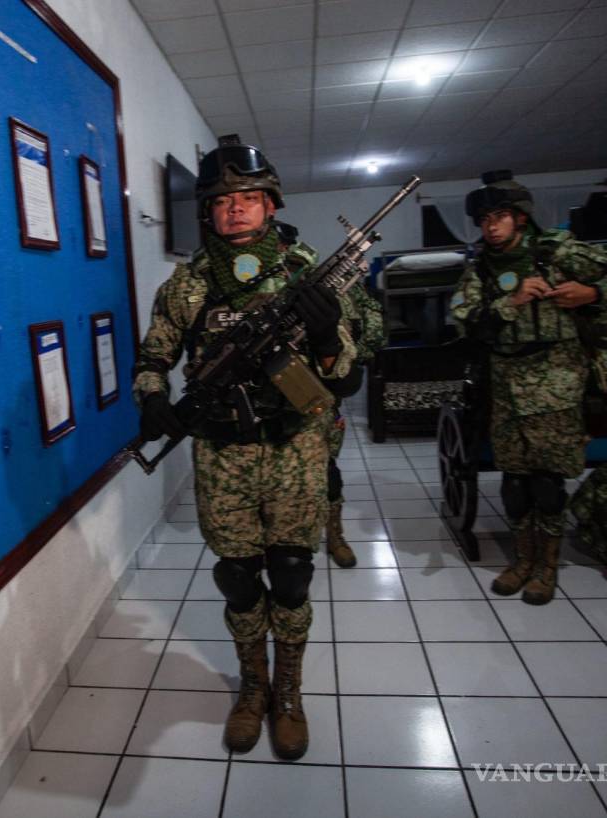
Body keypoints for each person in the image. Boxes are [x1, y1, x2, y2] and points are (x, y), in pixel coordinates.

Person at [133, 135, 361, 759]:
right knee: (236, 576)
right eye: (223, 199)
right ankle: (251, 689)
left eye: (248, 197)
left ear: (270, 204)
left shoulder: (307, 274)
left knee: (290, 573)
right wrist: (152, 396)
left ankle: (288, 691)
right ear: (208, 210)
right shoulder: (186, 286)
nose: (235, 208)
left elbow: (344, 373)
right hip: (222, 455)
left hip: (294, 449)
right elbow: (153, 357)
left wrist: (321, 333)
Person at [450, 170, 607, 605]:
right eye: (484, 219)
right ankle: (522, 561)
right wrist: (511, 301)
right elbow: (463, 318)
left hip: (556, 379)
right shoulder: (481, 266)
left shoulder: (557, 251)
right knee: (515, 483)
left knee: (547, 483)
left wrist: (591, 292)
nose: (491, 226)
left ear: (520, 217)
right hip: (505, 381)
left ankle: (547, 567)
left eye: (499, 216)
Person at [324, 282, 385, 568]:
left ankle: (334, 535)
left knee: (328, 472)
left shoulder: (330, 290)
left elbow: (367, 321)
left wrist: (356, 355)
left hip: (320, 397)